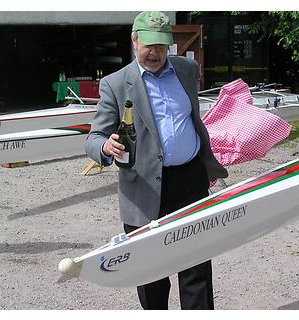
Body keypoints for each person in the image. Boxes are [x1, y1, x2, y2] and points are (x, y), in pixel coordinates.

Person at [85, 11, 228, 310]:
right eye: (148, 45)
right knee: (151, 273)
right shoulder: (114, 84)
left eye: (161, 46)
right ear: (135, 41)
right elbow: (93, 138)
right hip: (144, 188)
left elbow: (192, 119)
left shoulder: (187, 70)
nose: (155, 53)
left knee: (196, 267)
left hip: (190, 180)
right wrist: (106, 147)